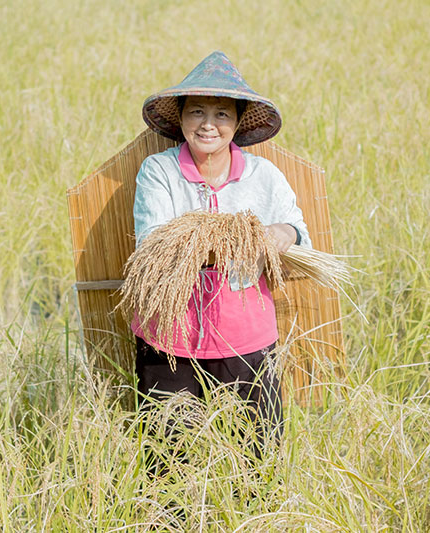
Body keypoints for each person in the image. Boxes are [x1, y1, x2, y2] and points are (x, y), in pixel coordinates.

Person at [132, 51, 311, 459]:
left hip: (245, 336)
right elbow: (156, 245)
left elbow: (300, 234)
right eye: (196, 111)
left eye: (222, 114)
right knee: (167, 460)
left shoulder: (263, 176)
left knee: (257, 456)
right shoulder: (158, 172)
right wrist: (241, 237)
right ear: (180, 119)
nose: (208, 124)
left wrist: (282, 233)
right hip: (169, 338)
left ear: (237, 123)